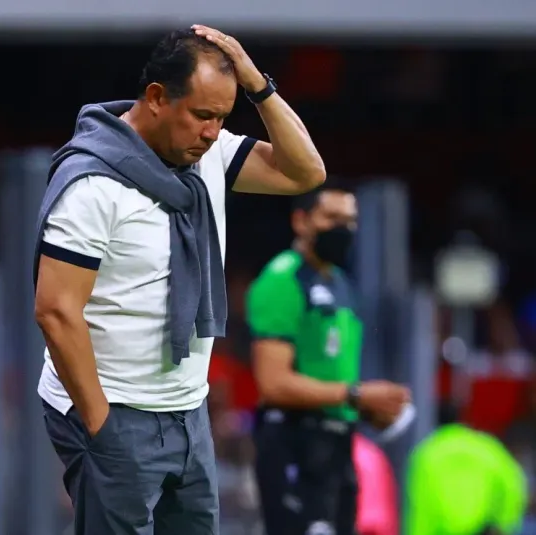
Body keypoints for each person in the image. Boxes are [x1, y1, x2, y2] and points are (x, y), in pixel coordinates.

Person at [33, 25, 326, 535]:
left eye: (222, 118)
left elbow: (305, 172)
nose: (212, 132)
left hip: (187, 409)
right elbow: (56, 311)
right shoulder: (92, 184)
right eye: (202, 115)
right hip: (115, 409)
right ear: (156, 98)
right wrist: (101, 425)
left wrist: (259, 86)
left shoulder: (207, 156)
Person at [245, 185, 411, 535]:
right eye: (332, 218)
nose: (343, 229)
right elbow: (273, 383)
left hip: (337, 444)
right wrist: (356, 395)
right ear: (301, 221)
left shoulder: (341, 285)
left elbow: (332, 373)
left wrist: (371, 408)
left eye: (350, 221)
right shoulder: (283, 281)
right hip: (293, 443)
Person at [405, 404, 528, 535]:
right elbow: (513, 484)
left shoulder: (426, 452)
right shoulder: (487, 446)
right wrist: (505, 524)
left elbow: (419, 504)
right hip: (483, 528)